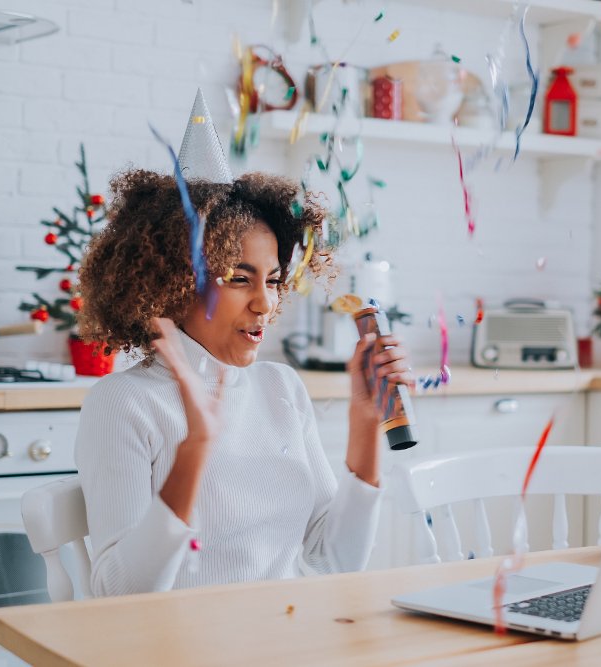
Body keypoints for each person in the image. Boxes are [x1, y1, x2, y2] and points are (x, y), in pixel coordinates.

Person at [73, 169, 415, 596]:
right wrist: (195, 450)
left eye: (272, 280)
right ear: (175, 284)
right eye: (239, 278)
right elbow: (117, 595)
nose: (266, 303)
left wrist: (365, 419)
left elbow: (334, 559)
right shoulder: (123, 403)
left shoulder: (280, 387)